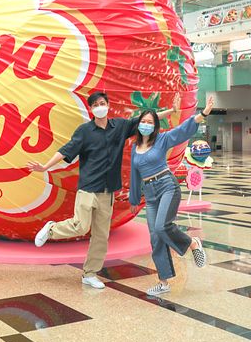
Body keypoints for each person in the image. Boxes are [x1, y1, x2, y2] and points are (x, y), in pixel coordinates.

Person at [28, 91, 177, 289]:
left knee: (100, 236)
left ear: (107, 104)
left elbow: (146, 120)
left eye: (102, 103)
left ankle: (90, 273)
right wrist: (45, 166)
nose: (100, 106)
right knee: (80, 226)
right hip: (88, 188)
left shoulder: (120, 126)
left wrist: (172, 111)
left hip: (108, 192)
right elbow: (66, 150)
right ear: (91, 109)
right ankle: (52, 229)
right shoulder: (84, 131)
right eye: (96, 104)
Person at [129, 96, 215, 296]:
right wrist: (134, 199)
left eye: (151, 122)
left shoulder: (161, 139)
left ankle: (193, 243)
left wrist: (203, 114)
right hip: (150, 194)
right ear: (138, 124)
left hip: (167, 185)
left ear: (155, 125)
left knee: (161, 226)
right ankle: (163, 282)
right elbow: (135, 175)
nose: (146, 125)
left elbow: (183, 129)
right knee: (155, 237)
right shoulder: (135, 148)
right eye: (144, 121)